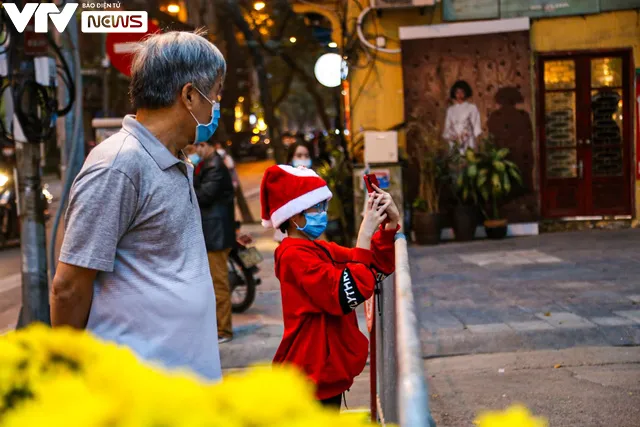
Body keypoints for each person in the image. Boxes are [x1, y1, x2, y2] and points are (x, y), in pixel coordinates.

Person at [50, 31, 226, 381]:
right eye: (215, 94)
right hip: (136, 392)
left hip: (182, 390)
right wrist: (69, 374)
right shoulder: (118, 165)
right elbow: (68, 287)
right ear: (189, 95)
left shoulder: (176, 159)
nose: (217, 105)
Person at [259, 165, 400, 409]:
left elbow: (372, 264)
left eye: (324, 206)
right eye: (317, 207)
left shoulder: (319, 248)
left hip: (324, 370)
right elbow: (345, 293)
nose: (322, 213)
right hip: (310, 373)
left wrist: (389, 224)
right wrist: (364, 235)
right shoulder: (293, 255)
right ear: (294, 215)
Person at [193, 139, 236, 344]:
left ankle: (224, 330)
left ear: (207, 145)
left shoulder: (215, 166)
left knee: (219, 284)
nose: (196, 151)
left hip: (216, 233)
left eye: (198, 146)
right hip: (212, 231)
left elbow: (203, 196)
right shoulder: (208, 164)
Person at [443, 80, 482, 153]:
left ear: (466, 93)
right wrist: (452, 136)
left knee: (468, 159)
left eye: (462, 92)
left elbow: (476, 125)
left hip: (468, 139)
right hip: (454, 139)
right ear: (454, 93)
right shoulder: (450, 110)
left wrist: (468, 134)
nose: (459, 95)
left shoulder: (472, 107)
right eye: (457, 92)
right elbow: (447, 125)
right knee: (456, 159)